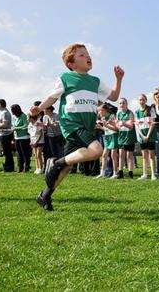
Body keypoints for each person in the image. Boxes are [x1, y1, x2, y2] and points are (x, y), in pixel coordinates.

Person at [30, 43, 124, 211]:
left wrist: (118, 79)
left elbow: (115, 96)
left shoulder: (95, 81)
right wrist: (40, 108)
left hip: (87, 126)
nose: (87, 57)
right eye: (81, 55)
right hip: (72, 123)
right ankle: (57, 163)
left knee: (67, 167)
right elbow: (53, 97)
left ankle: (44, 195)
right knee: (96, 150)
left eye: (88, 54)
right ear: (71, 63)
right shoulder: (66, 77)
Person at [135, 93, 157, 180]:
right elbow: (137, 125)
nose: (141, 101)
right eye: (140, 100)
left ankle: (153, 174)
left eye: (143, 99)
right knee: (144, 156)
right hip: (142, 136)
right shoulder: (136, 112)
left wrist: (147, 135)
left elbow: (153, 123)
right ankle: (144, 174)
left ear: (146, 100)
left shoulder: (150, 109)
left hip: (150, 135)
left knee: (151, 155)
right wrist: (142, 136)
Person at [95, 103, 119, 178]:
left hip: (114, 136)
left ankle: (115, 173)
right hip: (107, 137)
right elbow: (106, 129)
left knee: (113, 155)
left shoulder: (112, 116)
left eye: (100, 111)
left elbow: (116, 129)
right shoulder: (103, 118)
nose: (99, 113)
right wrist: (100, 127)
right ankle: (102, 173)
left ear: (104, 110)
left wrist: (106, 125)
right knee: (104, 155)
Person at [116, 98, 136, 179]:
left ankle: (130, 173)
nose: (122, 105)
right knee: (121, 155)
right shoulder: (118, 114)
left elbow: (131, 126)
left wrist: (124, 123)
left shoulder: (130, 113)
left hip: (129, 137)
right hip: (121, 137)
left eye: (123, 103)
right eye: (120, 103)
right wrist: (118, 125)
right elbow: (117, 126)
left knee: (129, 155)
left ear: (126, 104)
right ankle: (120, 173)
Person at [0, 99, 14, 172]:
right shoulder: (4, 112)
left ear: (0, 104)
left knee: (7, 152)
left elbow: (5, 125)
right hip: (5, 134)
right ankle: (9, 167)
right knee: (7, 152)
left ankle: (9, 167)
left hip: (5, 134)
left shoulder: (4, 113)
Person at [11, 104, 31, 173]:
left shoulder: (23, 116)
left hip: (24, 137)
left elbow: (25, 125)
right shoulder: (15, 117)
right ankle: (20, 167)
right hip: (17, 137)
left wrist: (16, 128)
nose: (12, 112)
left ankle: (26, 167)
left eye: (12, 110)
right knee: (18, 153)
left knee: (25, 153)